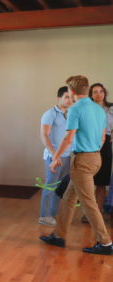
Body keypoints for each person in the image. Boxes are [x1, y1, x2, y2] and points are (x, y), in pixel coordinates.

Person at [41, 76, 113, 255]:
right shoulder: (99, 109)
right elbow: (103, 138)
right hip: (96, 158)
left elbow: (68, 138)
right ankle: (59, 236)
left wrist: (55, 157)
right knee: (69, 198)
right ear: (87, 89)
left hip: (83, 161)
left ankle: (105, 243)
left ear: (72, 92)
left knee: (88, 203)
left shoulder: (75, 110)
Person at [39, 87, 72, 226]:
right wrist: (54, 154)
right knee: (50, 186)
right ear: (59, 98)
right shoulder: (50, 114)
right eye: (66, 97)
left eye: (71, 97)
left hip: (68, 156)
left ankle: (54, 213)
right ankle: (44, 216)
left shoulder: (71, 114)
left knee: (61, 187)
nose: (69, 100)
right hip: (54, 157)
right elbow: (44, 135)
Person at [88, 83, 113, 221]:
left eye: (101, 91)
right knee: (88, 181)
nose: (99, 94)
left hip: (106, 145)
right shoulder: (87, 108)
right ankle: (89, 213)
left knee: (101, 181)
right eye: (95, 91)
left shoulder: (111, 108)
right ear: (91, 94)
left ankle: (97, 213)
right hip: (90, 143)